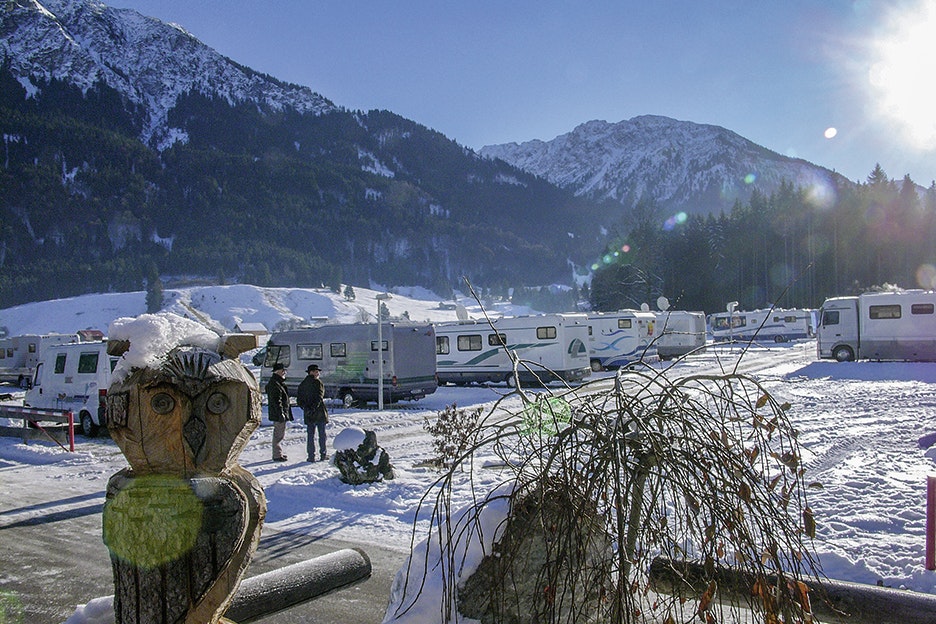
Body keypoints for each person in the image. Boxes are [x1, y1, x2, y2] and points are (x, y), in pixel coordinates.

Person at [297, 363, 329, 462]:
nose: (317, 373)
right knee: (322, 435)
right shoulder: (318, 383)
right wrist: (313, 408)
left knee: (310, 435)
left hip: (308, 413)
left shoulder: (303, 383)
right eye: (316, 371)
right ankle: (323, 454)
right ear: (311, 372)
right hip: (318, 413)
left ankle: (311, 456)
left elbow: (299, 399)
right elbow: (319, 397)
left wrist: (306, 408)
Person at [265, 362, 293, 462]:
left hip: (278, 412)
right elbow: (277, 401)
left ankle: (278, 453)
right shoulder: (275, 384)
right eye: (283, 371)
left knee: (279, 434)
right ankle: (277, 455)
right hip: (278, 414)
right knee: (278, 435)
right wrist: (281, 413)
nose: (284, 372)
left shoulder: (277, 382)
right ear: (279, 371)